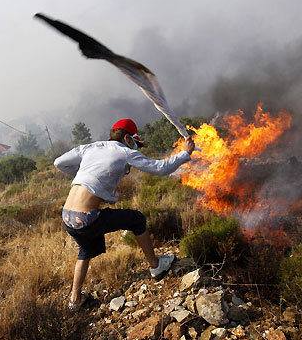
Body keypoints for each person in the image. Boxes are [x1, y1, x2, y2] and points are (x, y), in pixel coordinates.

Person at [54, 118, 196, 310]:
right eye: (135, 142)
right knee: (137, 219)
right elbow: (160, 168)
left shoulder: (91, 147)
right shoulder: (124, 151)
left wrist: (86, 175)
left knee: (85, 251)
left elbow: (58, 162)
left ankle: (75, 300)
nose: (136, 146)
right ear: (128, 138)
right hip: (87, 218)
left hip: (67, 217)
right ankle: (156, 266)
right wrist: (185, 154)